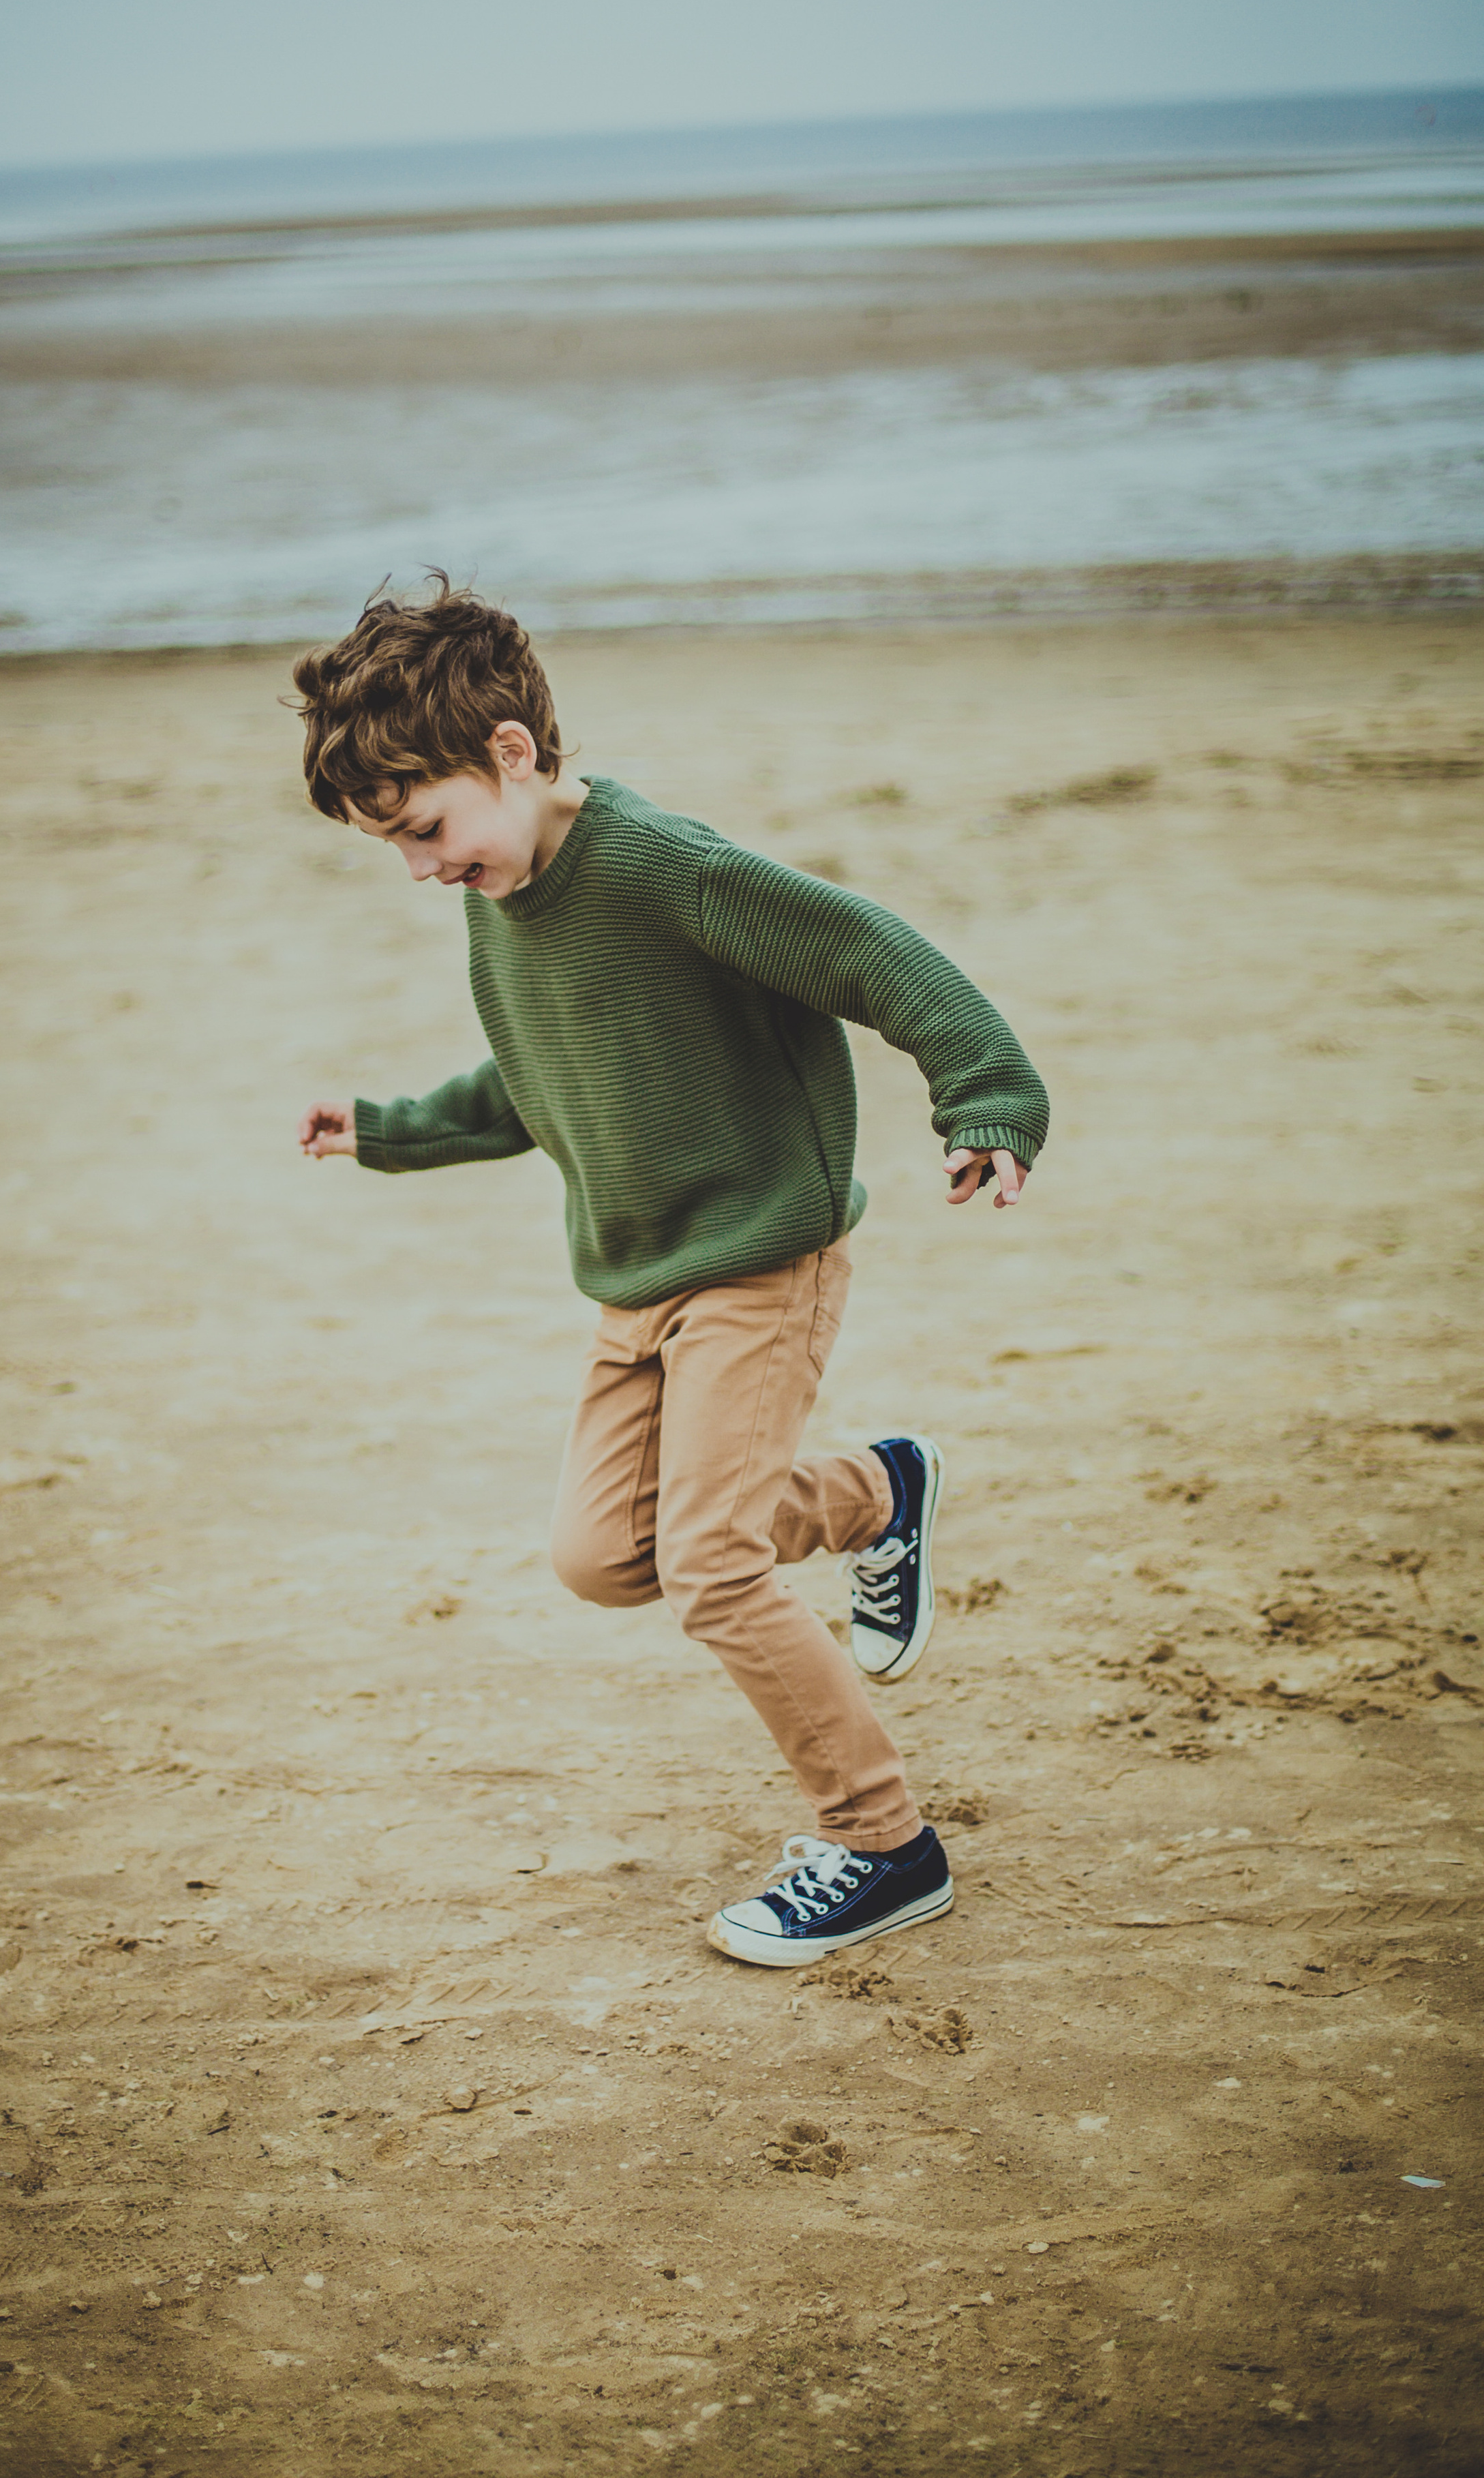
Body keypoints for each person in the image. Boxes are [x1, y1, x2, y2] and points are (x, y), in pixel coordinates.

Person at [293, 580, 1048, 1966]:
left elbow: (870, 954)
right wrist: (391, 1129)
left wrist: (986, 1101)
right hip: (634, 1281)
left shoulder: (665, 871)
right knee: (601, 1558)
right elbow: (542, 1080)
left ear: (509, 755)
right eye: (391, 848)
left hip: (760, 1258)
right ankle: (879, 1492)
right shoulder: (502, 892)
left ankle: (884, 1844)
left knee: (708, 1569)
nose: (418, 869)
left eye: (423, 830)